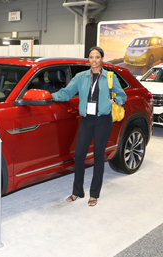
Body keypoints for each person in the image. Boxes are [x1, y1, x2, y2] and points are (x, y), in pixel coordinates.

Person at [51, 46, 127, 207]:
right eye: (91, 57)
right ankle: (77, 191)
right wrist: (48, 97)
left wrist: (112, 101)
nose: (94, 60)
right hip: (87, 120)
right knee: (79, 156)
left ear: (101, 59)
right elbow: (66, 93)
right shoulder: (81, 77)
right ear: (88, 59)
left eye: (97, 57)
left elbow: (122, 95)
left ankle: (94, 194)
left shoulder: (109, 77)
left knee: (99, 156)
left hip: (103, 120)